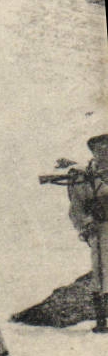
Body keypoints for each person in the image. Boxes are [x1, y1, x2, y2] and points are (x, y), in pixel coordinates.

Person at [65, 134, 108, 332]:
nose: (105, 153)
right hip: (100, 229)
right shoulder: (83, 177)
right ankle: (101, 320)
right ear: (94, 152)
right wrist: (86, 224)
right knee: (101, 272)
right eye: (100, 149)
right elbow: (76, 208)